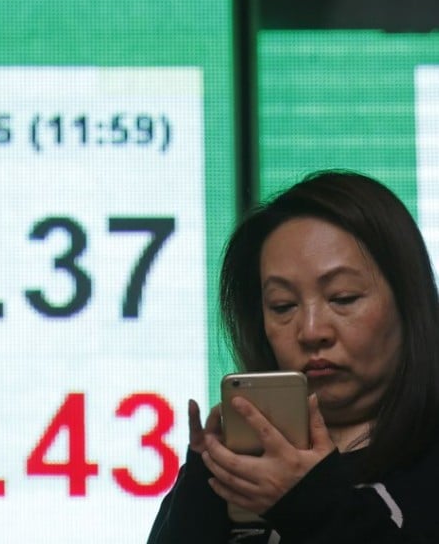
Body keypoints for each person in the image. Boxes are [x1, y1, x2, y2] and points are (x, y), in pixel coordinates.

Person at [147, 170, 439, 543]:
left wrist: (310, 503)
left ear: (408, 303)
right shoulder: (233, 466)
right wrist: (200, 494)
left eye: (343, 298)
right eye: (282, 306)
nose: (312, 331)